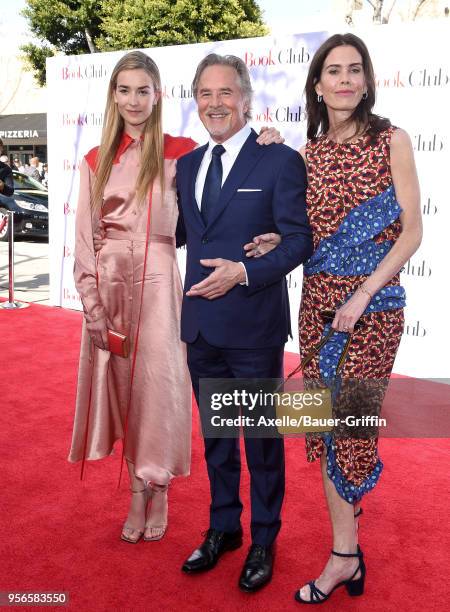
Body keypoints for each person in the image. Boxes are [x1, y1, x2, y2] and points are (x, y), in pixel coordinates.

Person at [70, 50, 283, 545]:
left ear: (159, 94)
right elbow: (84, 239)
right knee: (123, 389)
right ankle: (135, 488)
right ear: (113, 96)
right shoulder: (95, 160)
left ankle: (157, 483)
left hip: (164, 287)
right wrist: (92, 306)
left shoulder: (183, 152)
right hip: (110, 288)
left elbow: (231, 177)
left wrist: (268, 139)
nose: (133, 100)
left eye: (143, 90)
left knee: (159, 391)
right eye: (124, 90)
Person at [245, 33, 422, 604]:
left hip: (374, 307)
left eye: (354, 70)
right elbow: (308, 234)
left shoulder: (392, 139)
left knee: (351, 426)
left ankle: (343, 556)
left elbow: (413, 230)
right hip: (318, 304)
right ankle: (348, 551)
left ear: (367, 80)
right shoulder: (304, 155)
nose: (344, 79)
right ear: (317, 84)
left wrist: (364, 294)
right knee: (322, 427)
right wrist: (280, 232)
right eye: (333, 71)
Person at [177, 54, 313, 592]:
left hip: (254, 327)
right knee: (215, 440)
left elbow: (298, 238)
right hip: (200, 328)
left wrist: (246, 271)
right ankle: (223, 528)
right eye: (206, 93)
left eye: (226, 92)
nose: (216, 103)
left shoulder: (277, 160)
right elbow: (188, 235)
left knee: (260, 441)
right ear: (196, 100)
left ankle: (263, 538)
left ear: (246, 98)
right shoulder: (186, 166)